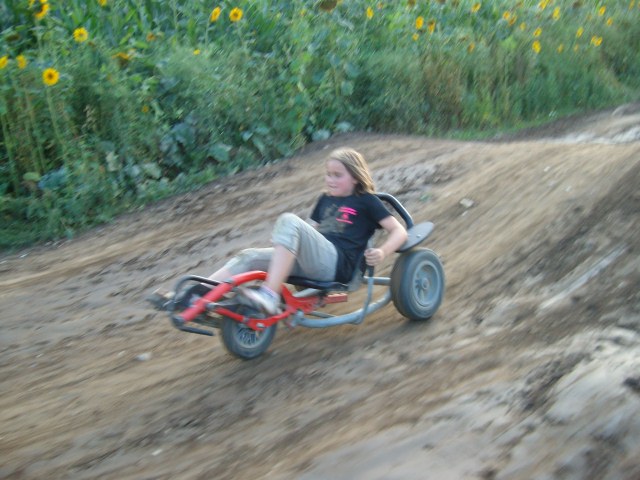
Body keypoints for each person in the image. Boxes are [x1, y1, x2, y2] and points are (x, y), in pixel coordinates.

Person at [150, 148, 408, 315]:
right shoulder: (325, 199)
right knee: (249, 256)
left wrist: (383, 252)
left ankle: (269, 295)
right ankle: (193, 297)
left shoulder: (367, 201)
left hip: (337, 265)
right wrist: (285, 245)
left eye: (337, 175)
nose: (330, 180)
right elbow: (311, 233)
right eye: (328, 174)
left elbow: (399, 232)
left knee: (289, 220)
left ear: (355, 177)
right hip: (314, 260)